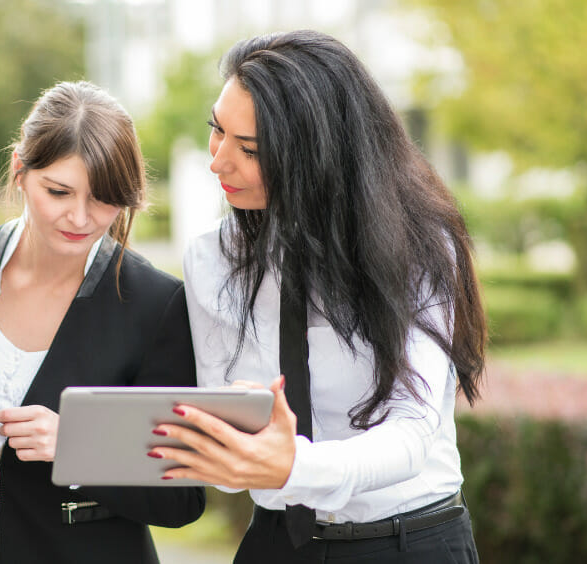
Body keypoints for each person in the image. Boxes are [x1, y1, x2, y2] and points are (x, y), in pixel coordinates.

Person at [149, 30, 487, 563]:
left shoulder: (418, 247)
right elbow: (233, 452)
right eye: (217, 130)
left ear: (317, 156)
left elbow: (412, 430)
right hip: (277, 542)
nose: (218, 162)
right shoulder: (212, 258)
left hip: (407, 542)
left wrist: (294, 467)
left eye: (250, 150)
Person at [0, 81, 203, 564]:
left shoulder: (156, 303)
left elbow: (184, 496)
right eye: (58, 191)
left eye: (104, 199)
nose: (80, 218)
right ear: (19, 170)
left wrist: (80, 444)